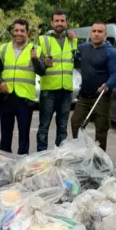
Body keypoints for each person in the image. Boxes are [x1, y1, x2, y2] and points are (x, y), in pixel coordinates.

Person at [0, 19, 46, 155]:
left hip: (25, 100)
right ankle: (4, 164)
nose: (18, 33)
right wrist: (0, 82)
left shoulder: (36, 49)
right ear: (13, 32)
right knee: (5, 134)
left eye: (22, 31)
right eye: (16, 30)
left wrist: (35, 59)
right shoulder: (3, 48)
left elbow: (42, 71)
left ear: (27, 33)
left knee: (24, 136)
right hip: (6, 97)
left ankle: (22, 164)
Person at [70, 21, 116, 151]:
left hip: (101, 97)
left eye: (100, 31)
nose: (96, 34)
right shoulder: (83, 48)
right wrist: (68, 36)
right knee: (75, 122)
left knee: (101, 130)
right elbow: (70, 50)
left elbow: (115, 74)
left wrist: (108, 85)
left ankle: (100, 160)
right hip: (84, 97)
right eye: (94, 31)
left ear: (105, 34)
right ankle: (80, 153)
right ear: (90, 33)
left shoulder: (111, 52)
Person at [36, 9, 77, 151]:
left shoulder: (73, 40)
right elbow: (38, 67)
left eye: (62, 20)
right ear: (51, 22)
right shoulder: (43, 40)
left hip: (66, 91)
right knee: (44, 127)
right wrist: (42, 63)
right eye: (57, 21)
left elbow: (77, 60)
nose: (59, 23)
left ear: (66, 22)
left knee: (63, 128)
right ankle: (42, 158)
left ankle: (60, 160)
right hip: (48, 90)